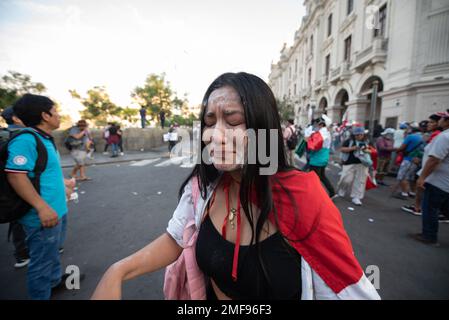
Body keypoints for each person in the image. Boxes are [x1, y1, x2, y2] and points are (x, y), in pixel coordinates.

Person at [92, 72, 379, 300]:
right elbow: (176, 237)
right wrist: (118, 272)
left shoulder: (302, 195)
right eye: (209, 122)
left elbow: (347, 287)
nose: (214, 136)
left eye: (232, 121)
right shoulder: (204, 186)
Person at [5, 94, 76, 299]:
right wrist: (42, 207)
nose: (58, 115)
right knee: (41, 262)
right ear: (45, 115)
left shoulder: (44, 138)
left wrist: (64, 185)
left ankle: (53, 283)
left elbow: (43, 171)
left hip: (57, 210)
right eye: (55, 111)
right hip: (42, 216)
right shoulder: (27, 139)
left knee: (51, 254)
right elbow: (16, 176)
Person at [411, 111, 449, 245]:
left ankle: (429, 236)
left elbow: (434, 159)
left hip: (437, 180)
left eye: (443, 118)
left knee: (430, 208)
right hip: (444, 181)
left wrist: (422, 177)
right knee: (443, 208)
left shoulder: (445, 137)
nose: (440, 120)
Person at [1, 106, 31, 268]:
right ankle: (23, 253)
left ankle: (21, 254)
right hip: (16, 188)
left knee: (17, 221)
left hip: (7, 190)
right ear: (16, 118)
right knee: (21, 220)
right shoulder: (20, 137)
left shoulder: (5, 135)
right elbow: (17, 173)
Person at [402, 114, 442, 216]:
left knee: (422, 187)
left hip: (430, 168)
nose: (429, 124)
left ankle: (418, 208)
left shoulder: (438, 136)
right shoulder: (431, 135)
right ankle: (418, 206)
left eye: (432, 122)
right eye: (429, 122)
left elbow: (434, 156)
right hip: (425, 165)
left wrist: (422, 172)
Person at [336, 126, 371, 206]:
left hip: (363, 163)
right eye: (356, 135)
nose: (358, 136)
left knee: (360, 181)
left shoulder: (367, 141)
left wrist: (366, 150)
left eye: (360, 134)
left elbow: (372, 150)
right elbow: (342, 149)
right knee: (346, 179)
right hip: (349, 162)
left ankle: (356, 197)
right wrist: (353, 148)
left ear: (363, 134)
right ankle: (342, 189)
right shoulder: (349, 141)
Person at [305, 115, 335, 198]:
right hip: (323, 158)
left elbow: (313, 146)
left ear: (321, 124)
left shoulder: (320, 133)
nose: (314, 126)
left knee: (314, 179)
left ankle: (316, 197)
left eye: (316, 124)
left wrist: (307, 139)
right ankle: (332, 192)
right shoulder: (327, 132)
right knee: (322, 177)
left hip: (317, 159)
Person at [393, 123, 423, 199]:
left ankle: (404, 193)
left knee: (403, 176)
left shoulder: (410, 136)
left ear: (411, 129)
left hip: (408, 159)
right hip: (417, 160)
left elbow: (402, 147)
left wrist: (397, 150)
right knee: (411, 177)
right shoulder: (422, 136)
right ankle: (412, 192)